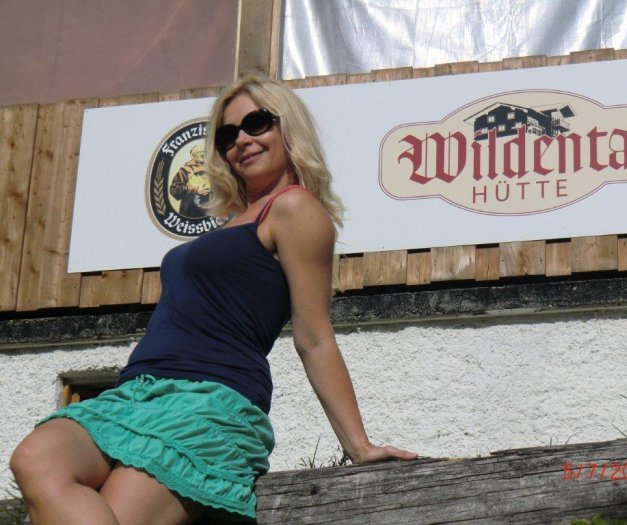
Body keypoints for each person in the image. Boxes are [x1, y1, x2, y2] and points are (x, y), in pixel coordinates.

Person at [10, 76, 417, 525]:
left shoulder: (295, 208)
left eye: (256, 123)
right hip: (135, 394)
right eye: (228, 135)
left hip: (207, 403)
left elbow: (314, 337)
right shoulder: (231, 223)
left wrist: (358, 445)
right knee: (35, 458)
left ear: (289, 127)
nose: (241, 140)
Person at [169, 144, 210, 219]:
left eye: (203, 152)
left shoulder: (211, 168)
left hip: (210, 208)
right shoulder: (185, 170)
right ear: (193, 155)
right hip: (191, 210)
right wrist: (195, 189)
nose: (202, 154)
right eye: (199, 152)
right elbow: (174, 189)